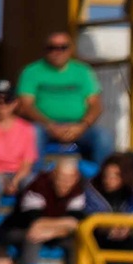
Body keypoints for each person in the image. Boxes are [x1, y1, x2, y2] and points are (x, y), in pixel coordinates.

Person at [15, 31, 107, 166]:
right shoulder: (31, 71)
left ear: (71, 49)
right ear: (45, 50)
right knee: (33, 134)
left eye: (63, 47)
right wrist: (49, 125)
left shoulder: (83, 71)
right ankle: (34, 181)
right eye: (52, 47)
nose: (57, 52)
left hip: (78, 126)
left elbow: (95, 104)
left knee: (104, 138)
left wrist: (82, 125)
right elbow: (26, 105)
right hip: (44, 126)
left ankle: (101, 183)